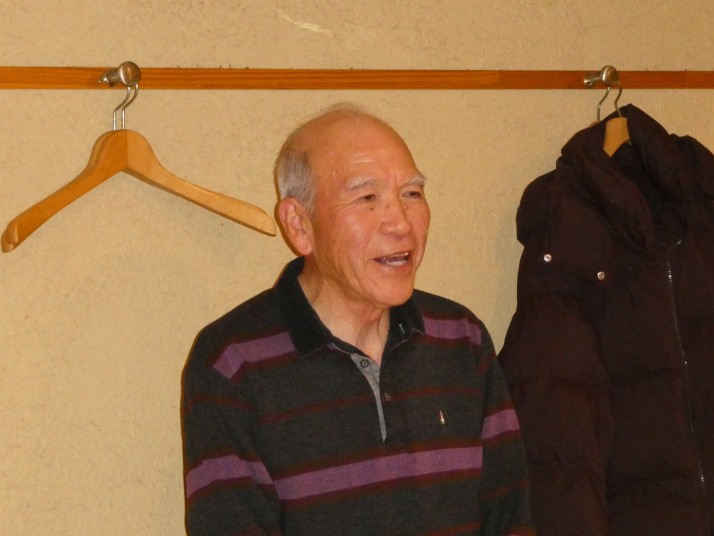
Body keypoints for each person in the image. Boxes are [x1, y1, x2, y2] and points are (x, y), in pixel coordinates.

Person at [181, 104, 534, 535]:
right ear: (299, 224)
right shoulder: (232, 363)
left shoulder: (461, 339)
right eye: (368, 198)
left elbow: (511, 519)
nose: (401, 223)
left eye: (412, 193)